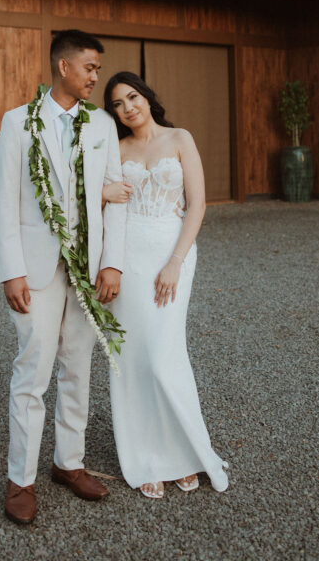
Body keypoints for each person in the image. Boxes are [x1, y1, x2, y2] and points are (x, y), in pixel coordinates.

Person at [0, 30, 127, 524]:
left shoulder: (102, 125)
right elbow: (6, 203)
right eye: (90, 67)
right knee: (33, 370)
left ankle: (68, 463)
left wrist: (112, 263)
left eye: (97, 68)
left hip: (87, 268)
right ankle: (19, 479)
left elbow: (118, 199)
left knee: (79, 366)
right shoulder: (18, 123)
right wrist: (12, 271)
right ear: (63, 66)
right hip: (38, 267)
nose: (96, 76)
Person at [102, 71, 229, 499]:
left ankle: (184, 453)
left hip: (173, 254)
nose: (127, 108)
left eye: (132, 97)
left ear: (146, 96)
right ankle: (145, 456)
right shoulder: (116, 149)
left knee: (164, 354)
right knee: (133, 357)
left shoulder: (180, 139)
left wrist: (175, 261)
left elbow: (198, 203)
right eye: (117, 104)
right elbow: (99, 199)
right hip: (130, 257)